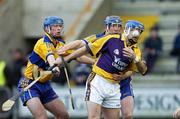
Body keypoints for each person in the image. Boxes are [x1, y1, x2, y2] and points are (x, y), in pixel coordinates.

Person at [58, 16, 147, 119]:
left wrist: (135, 58)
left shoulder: (135, 50)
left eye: (118, 26)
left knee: (126, 115)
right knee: (94, 116)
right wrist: (67, 55)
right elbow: (84, 46)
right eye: (113, 25)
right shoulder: (107, 38)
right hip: (98, 81)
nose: (116, 28)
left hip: (116, 85)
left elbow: (141, 70)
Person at [17, 16, 69, 119]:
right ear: (47, 28)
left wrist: (93, 61)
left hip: (45, 85)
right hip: (29, 84)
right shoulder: (42, 43)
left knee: (63, 115)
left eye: (60, 26)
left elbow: (77, 55)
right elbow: (50, 56)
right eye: (55, 26)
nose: (59, 28)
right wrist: (54, 66)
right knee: (42, 117)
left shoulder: (60, 44)